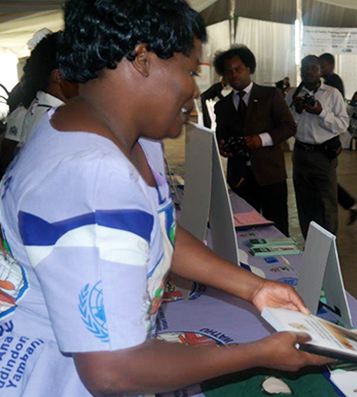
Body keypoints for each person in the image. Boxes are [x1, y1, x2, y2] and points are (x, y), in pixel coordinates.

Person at [0, 1, 328, 395]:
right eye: (189, 71)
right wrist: (257, 353)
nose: (193, 89)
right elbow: (113, 370)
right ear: (141, 58)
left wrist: (253, 288)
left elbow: (159, 231)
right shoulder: (93, 176)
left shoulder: (103, 131)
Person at [214, 46, 296, 236]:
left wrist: (261, 140)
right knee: (245, 231)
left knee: (278, 229)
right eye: (228, 71)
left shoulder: (271, 95)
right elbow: (221, 136)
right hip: (240, 178)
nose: (234, 75)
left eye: (238, 69)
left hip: (270, 176)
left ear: (249, 68)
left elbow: (289, 127)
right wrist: (223, 146)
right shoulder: (222, 106)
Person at [287, 55, 349, 237]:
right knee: (304, 202)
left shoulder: (332, 93)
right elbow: (288, 126)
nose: (308, 71)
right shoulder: (292, 95)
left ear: (320, 70)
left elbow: (343, 125)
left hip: (323, 155)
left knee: (327, 203)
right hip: (300, 154)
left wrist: (321, 112)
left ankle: (329, 248)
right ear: (300, 72)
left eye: (313, 68)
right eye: (304, 68)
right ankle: (310, 242)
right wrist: (297, 111)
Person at [0, 30, 78, 175]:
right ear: (59, 76)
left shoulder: (39, 109)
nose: (87, 78)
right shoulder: (56, 119)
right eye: (79, 71)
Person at [318, 53, 357, 226]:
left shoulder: (332, 83)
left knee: (326, 179)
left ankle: (350, 205)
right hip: (326, 133)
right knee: (325, 179)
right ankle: (351, 204)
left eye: (322, 66)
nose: (319, 69)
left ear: (330, 65)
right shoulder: (328, 81)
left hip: (328, 136)